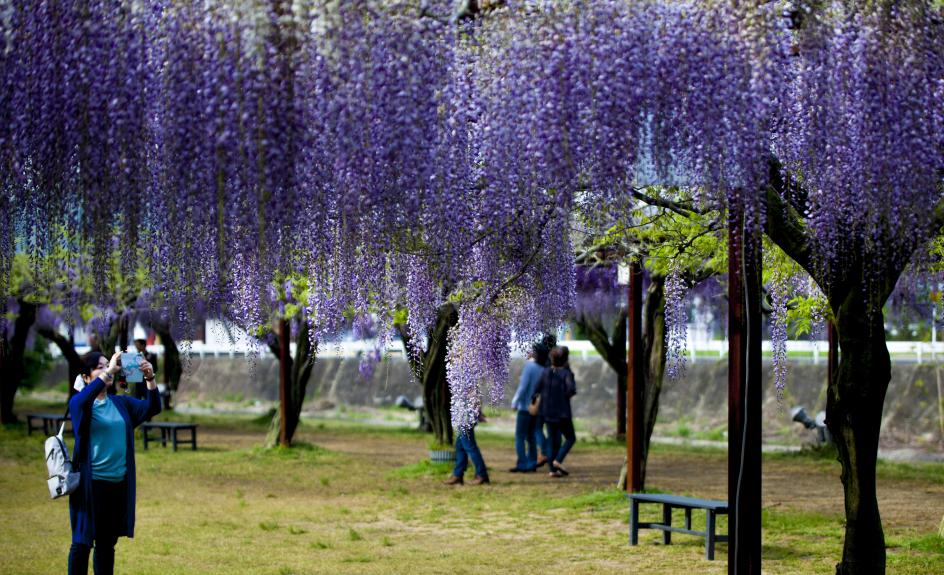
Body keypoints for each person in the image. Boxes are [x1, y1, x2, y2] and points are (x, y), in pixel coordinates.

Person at [68, 350, 161, 575]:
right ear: (87, 377)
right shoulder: (82, 405)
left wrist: (149, 378)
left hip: (117, 485)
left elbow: (152, 407)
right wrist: (109, 370)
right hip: (90, 486)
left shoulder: (120, 403)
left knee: (107, 544)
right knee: (82, 543)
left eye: (107, 364)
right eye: (99, 366)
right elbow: (79, 403)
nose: (106, 368)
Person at [534, 345, 577, 478]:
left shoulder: (545, 372)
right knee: (570, 438)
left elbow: (536, 389)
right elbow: (571, 390)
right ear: (565, 360)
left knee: (552, 440)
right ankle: (558, 460)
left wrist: (534, 402)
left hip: (547, 412)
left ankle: (552, 470)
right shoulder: (566, 373)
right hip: (562, 412)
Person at [509, 344, 544, 472]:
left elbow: (523, 387)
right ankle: (532, 463)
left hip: (524, 407)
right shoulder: (543, 368)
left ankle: (522, 464)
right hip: (535, 408)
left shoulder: (530, 367)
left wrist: (515, 402)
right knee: (531, 437)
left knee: (520, 437)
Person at [444, 405, 490, 486]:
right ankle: (458, 475)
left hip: (466, 418)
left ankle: (482, 475)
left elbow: (473, 397)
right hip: (461, 417)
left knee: (470, 447)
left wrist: (478, 412)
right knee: (460, 447)